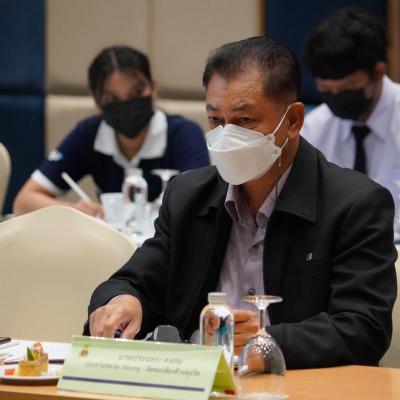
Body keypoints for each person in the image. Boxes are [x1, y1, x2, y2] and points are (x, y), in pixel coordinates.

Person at [86, 36, 397, 369]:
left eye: (245, 121)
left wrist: (262, 342)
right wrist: (124, 300)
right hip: (199, 382)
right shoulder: (188, 196)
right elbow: (134, 280)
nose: (227, 136)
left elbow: (363, 329)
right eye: (216, 120)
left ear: (292, 121)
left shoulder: (355, 204)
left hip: (298, 382)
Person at [13, 46, 209, 216]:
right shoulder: (89, 133)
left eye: (136, 92)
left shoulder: (184, 134)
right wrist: (76, 211)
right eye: (112, 99)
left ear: (153, 88)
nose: (127, 105)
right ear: (96, 100)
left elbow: (198, 207)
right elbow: (23, 202)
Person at [301, 8, 400, 202]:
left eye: (347, 89)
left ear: (378, 73)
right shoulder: (313, 131)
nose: (336, 98)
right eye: (326, 90)